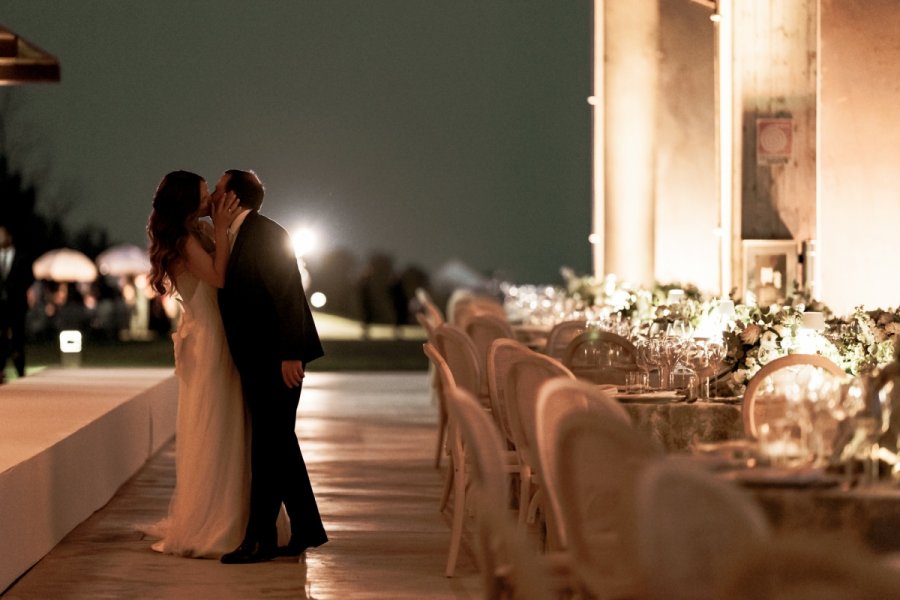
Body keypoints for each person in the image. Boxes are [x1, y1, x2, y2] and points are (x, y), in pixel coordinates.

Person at [214, 169, 328, 564]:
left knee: (268, 448)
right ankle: (306, 528)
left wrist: (291, 353)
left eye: (218, 189)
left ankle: (259, 539)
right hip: (260, 357)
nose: (212, 195)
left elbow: (286, 293)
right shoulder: (242, 232)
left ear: (233, 198)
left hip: (277, 359)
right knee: (278, 444)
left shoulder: (266, 234)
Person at [145, 170, 255, 558]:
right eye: (205, 194)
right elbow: (219, 277)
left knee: (228, 424)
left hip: (213, 334)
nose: (211, 201)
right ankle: (216, 522)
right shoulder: (184, 239)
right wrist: (222, 226)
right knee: (217, 424)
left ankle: (234, 512)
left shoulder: (193, 232)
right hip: (210, 342)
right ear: (188, 201)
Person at [0, 225, 34, 383]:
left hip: (17, 304)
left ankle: (20, 369)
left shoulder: (22, 257)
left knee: (18, 337)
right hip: (0, 305)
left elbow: (28, 278)